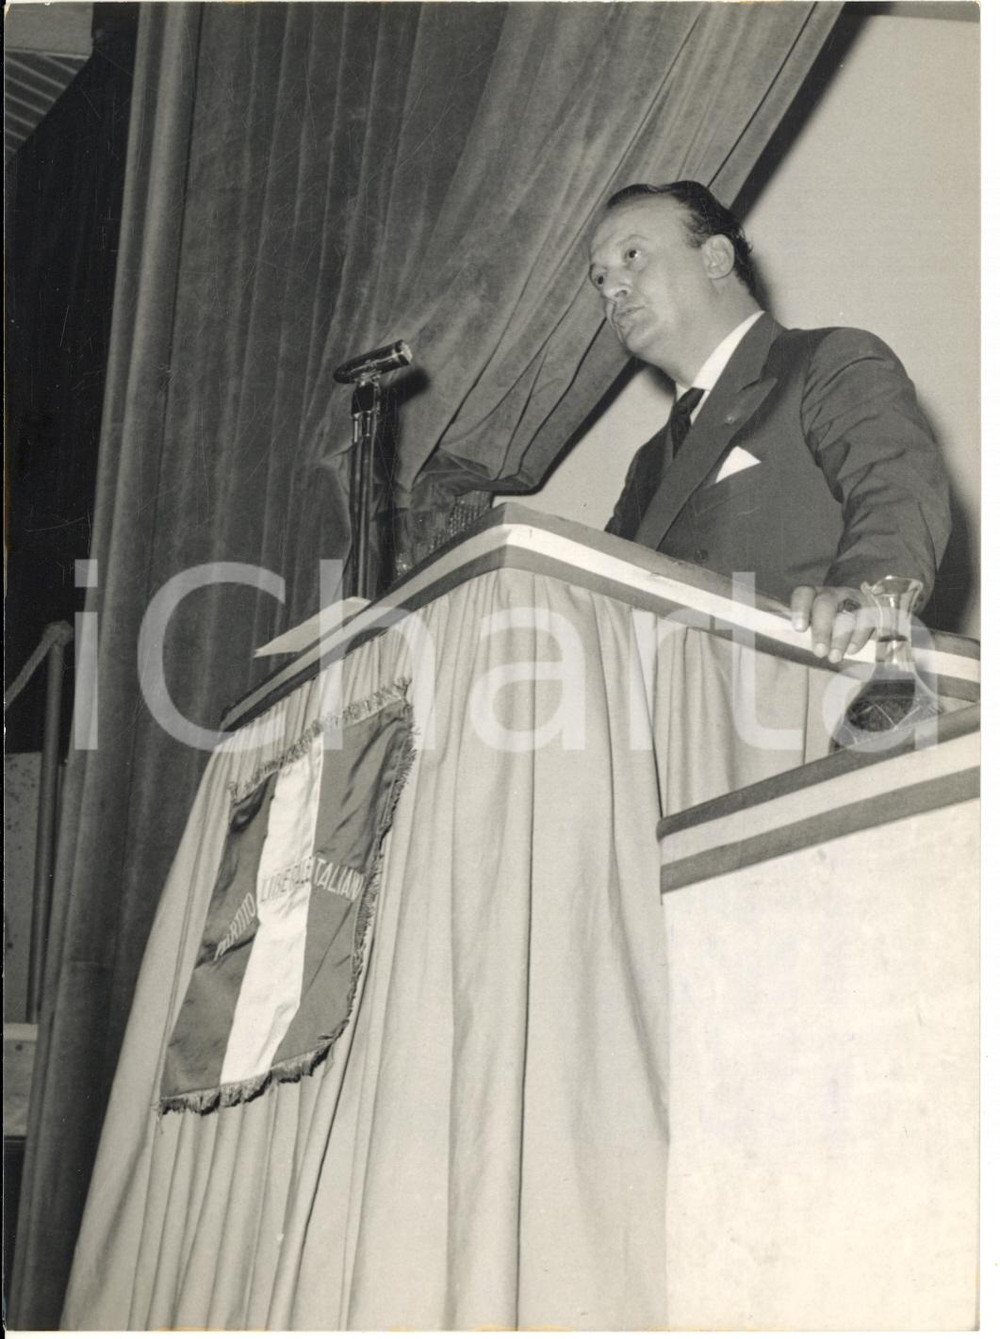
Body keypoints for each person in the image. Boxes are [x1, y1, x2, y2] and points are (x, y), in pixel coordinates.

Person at [590, 181, 951, 663]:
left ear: (715, 258)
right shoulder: (648, 462)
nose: (612, 288)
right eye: (599, 278)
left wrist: (862, 596)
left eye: (632, 255)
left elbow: (895, 489)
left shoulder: (827, 361)